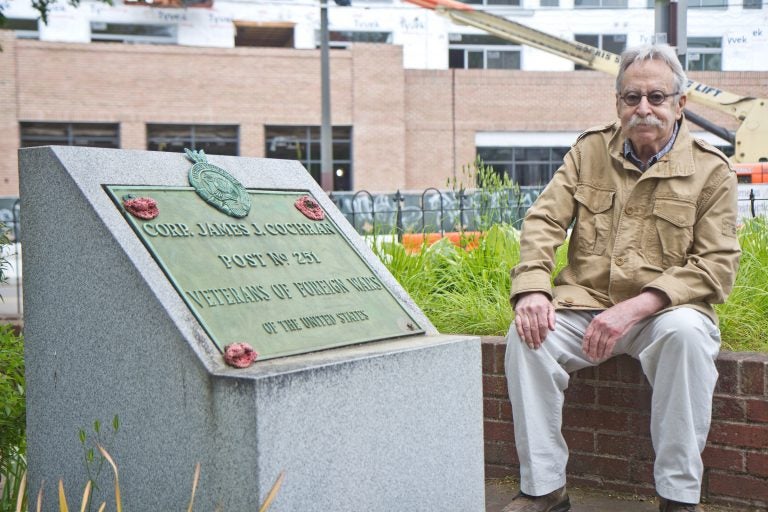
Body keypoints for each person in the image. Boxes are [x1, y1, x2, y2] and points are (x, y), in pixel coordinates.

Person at [502, 44, 741, 512]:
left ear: (680, 104)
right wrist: (532, 286)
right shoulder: (589, 151)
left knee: (688, 338)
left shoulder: (712, 170)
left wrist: (638, 305)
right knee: (527, 338)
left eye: (656, 96)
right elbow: (544, 222)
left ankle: (678, 497)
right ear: (618, 104)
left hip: (664, 312)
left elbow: (715, 265)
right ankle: (545, 489)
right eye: (632, 97)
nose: (643, 108)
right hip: (586, 302)